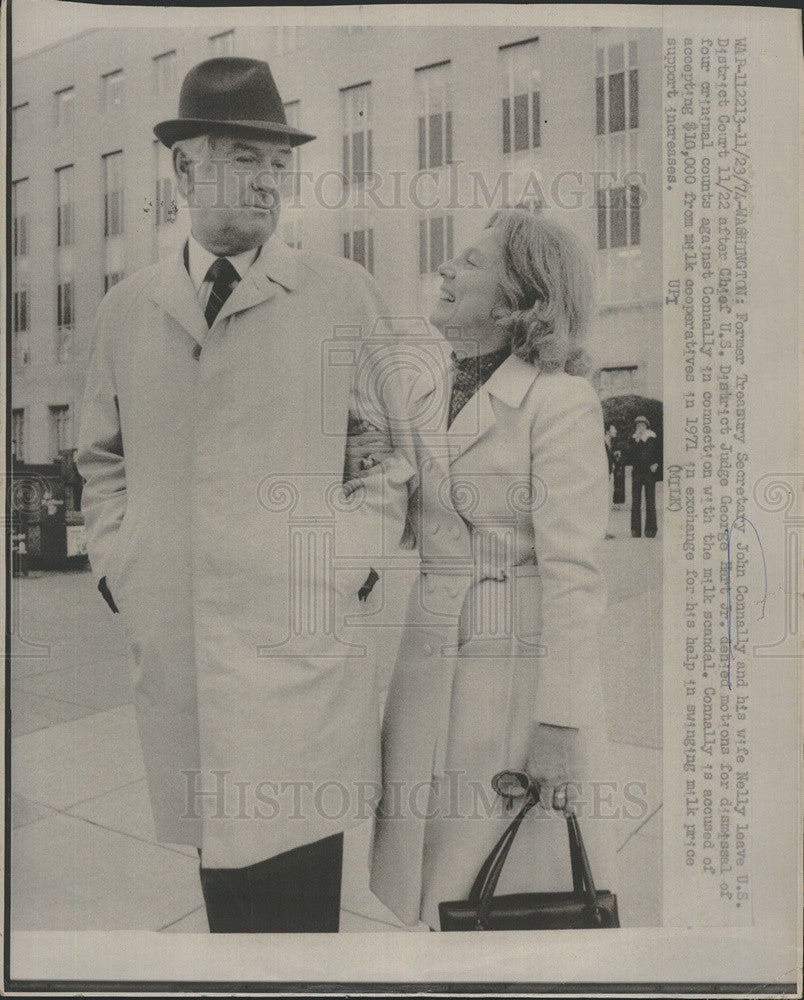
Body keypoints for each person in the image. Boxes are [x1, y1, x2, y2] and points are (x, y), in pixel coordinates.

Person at [77, 57, 411, 933]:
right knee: (224, 903)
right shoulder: (125, 309)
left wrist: (341, 563)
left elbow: (385, 457)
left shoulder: (341, 293)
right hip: (182, 647)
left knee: (301, 907)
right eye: (241, 157)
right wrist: (124, 566)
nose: (267, 181)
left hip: (298, 655)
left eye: (277, 164)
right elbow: (100, 460)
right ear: (184, 169)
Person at [365, 208, 617, 930]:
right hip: (428, 653)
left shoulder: (561, 401)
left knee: (498, 885)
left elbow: (575, 575)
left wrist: (560, 725)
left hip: (514, 672)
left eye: (469, 263)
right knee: (429, 875)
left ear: (520, 298)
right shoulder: (423, 390)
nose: (444, 269)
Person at [625, 415, 659, 538]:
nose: (640, 427)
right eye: (638, 425)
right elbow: (630, 455)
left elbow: (657, 451)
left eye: (642, 425)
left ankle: (651, 530)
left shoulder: (652, 436)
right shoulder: (633, 439)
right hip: (637, 473)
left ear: (646, 426)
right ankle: (635, 530)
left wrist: (656, 463)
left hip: (649, 472)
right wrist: (636, 441)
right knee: (635, 502)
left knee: (650, 501)